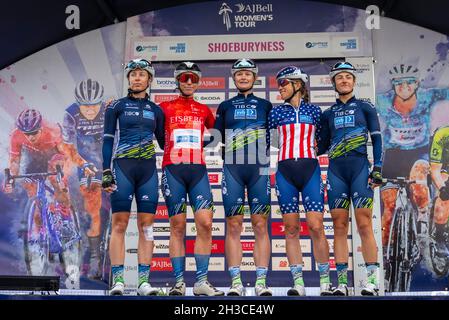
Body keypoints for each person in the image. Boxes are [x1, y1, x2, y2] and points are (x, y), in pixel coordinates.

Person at [5, 108, 94, 284]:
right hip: (33, 159)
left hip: (56, 155)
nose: (30, 137)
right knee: (32, 191)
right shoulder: (16, 135)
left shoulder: (53, 131)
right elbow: (14, 163)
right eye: (26, 134)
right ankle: (39, 231)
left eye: (34, 133)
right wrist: (10, 180)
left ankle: (66, 219)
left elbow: (69, 154)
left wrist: (81, 166)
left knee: (56, 179)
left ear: (41, 127)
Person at [160, 61, 224, 296]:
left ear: (198, 82)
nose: (189, 83)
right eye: (185, 78)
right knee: (177, 226)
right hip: (173, 170)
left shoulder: (204, 109)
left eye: (193, 79)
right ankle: (178, 282)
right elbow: (159, 136)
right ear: (177, 80)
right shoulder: (164, 107)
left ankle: (201, 282)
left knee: (205, 224)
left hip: (198, 171)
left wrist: (198, 145)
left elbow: (216, 136)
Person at [319, 61, 383, 296]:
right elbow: (321, 146)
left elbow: (377, 139)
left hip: (359, 170)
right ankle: (342, 283)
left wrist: (377, 168)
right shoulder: (328, 114)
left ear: (354, 81)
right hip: (336, 171)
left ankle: (372, 282)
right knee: (338, 226)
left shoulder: (365, 108)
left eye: (348, 77)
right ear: (334, 82)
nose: (344, 80)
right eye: (339, 77)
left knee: (364, 224)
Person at [101, 58, 165, 296]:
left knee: (147, 226)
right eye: (133, 74)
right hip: (122, 168)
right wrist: (106, 171)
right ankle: (118, 280)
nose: (137, 78)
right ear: (128, 78)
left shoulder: (156, 110)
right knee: (119, 224)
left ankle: (143, 283)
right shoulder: (115, 106)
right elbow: (108, 139)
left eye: (142, 74)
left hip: (148, 169)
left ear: (149, 79)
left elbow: (164, 142)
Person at [268, 66, 332, 296]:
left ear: (298, 85)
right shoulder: (276, 113)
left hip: (311, 172)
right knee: (291, 229)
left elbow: (325, 140)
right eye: (279, 84)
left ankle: (325, 282)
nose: (280, 88)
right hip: (285, 173)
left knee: (316, 227)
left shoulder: (315, 111)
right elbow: (268, 141)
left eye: (284, 83)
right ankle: (298, 283)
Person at [214, 58, 272, 296]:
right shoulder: (225, 105)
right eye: (239, 74)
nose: (244, 77)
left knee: (260, 225)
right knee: (233, 225)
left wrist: (272, 167)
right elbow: (214, 139)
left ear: (255, 78)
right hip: (233, 168)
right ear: (234, 78)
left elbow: (274, 139)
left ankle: (261, 282)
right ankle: (235, 282)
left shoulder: (266, 105)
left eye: (248, 74)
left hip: (260, 168)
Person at [377, 64, 449, 248]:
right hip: (393, 155)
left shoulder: (427, 96)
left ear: (417, 84)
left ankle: (424, 223)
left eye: (409, 82)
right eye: (399, 83)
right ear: (393, 85)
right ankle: (388, 260)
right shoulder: (382, 101)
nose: (404, 87)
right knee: (390, 207)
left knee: (418, 181)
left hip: (420, 152)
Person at [63, 78, 106, 279]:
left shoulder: (108, 110)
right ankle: (95, 256)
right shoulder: (70, 114)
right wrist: (83, 164)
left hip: (106, 155)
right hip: (85, 159)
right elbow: (69, 148)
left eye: (94, 105)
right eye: (85, 106)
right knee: (92, 206)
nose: (90, 110)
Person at [429, 126, 449, 256]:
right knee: (445, 193)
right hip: (441, 165)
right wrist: (443, 188)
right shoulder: (442, 134)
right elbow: (435, 170)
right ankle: (439, 237)